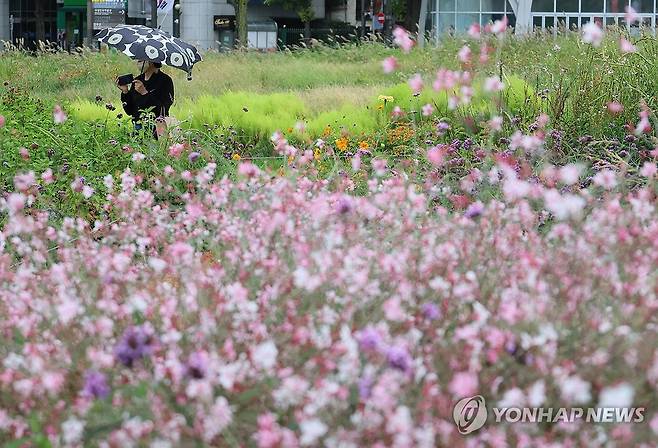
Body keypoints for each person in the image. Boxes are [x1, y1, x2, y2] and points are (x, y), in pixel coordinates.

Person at [118, 60, 174, 138]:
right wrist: (125, 92)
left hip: (157, 129)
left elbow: (163, 108)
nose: (139, 63)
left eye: (141, 61)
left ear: (152, 61)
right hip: (137, 128)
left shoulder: (165, 80)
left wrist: (145, 93)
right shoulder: (137, 80)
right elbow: (130, 111)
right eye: (138, 61)